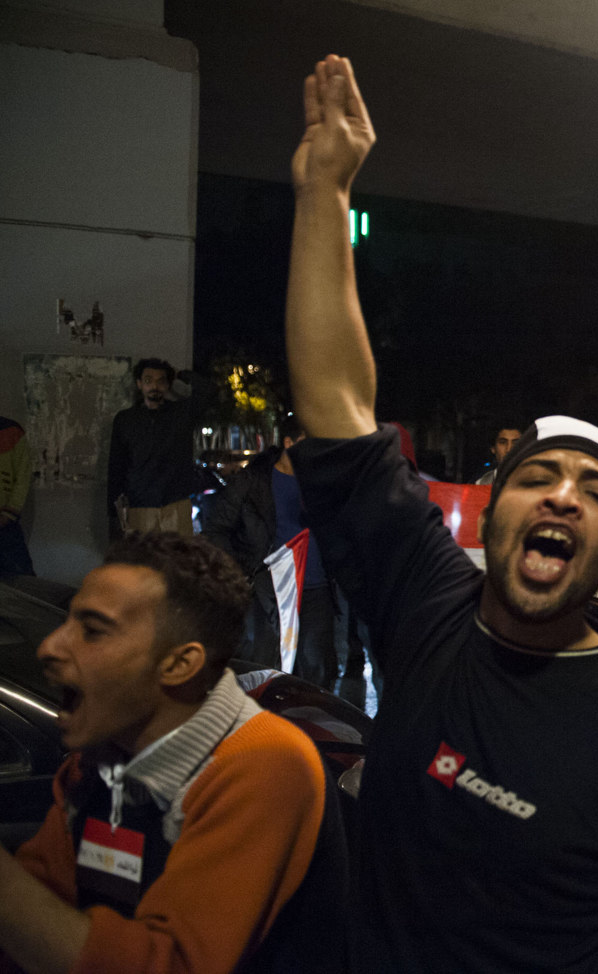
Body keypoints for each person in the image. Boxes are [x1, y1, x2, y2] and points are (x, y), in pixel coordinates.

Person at [283, 54, 598, 972]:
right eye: (540, 478)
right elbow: (336, 405)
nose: (565, 495)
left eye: (597, 493)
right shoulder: (425, 604)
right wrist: (326, 191)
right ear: (492, 513)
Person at [0, 533, 335, 974]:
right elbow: (36, 914)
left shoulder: (266, 764)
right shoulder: (99, 760)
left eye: (93, 631)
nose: (50, 646)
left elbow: (172, 964)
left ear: (180, 664)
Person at [201, 415, 342, 688]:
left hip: (316, 590)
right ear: (288, 443)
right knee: (266, 674)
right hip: (269, 590)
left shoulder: (322, 483)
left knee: (318, 674)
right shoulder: (253, 481)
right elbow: (216, 530)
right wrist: (242, 574)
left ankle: (307, 730)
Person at [107, 359, 212, 537]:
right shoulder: (126, 420)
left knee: (177, 560)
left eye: (161, 381)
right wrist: (114, 514)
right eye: (148, 381)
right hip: (139, 507)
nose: (154, 386)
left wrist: (181, 374)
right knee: (141, 562)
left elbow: (209, 391)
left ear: (168, 385)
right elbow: (116, 466)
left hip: (175, 504)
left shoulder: (180, 414)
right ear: (139, 384)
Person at [0, 416, 35, 577]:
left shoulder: (11, 431)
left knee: (20, 576)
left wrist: (9, 511)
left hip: (4, 520)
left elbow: (23, 476)